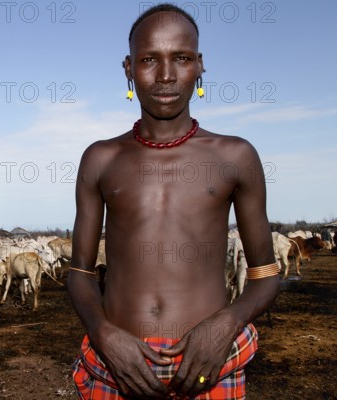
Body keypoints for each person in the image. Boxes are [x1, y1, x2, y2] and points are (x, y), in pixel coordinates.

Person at [67, 4, 280, 399]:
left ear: (199, 65)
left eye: (181, 59)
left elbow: (266, 275)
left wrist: (224, 325)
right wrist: (103, 333)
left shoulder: (235, 157)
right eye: (149, 60)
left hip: (209, 364)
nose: (165, 76)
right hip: (118, 365)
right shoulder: (100, 159)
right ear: (129, 68)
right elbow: (79, 272)